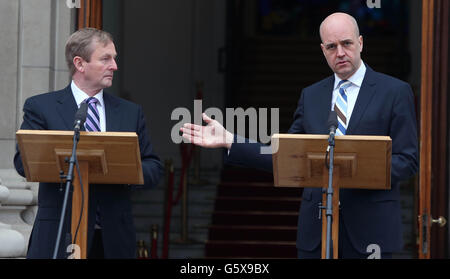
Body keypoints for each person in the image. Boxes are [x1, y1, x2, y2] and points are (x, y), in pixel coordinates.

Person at [181, 12, 418, 259]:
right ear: (322, 50)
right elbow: (285, 157)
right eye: (331, 46)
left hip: (371, 234)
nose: (340, 53)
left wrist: (354, 168)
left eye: (346, 43)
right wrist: (230, 140)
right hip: (316, 232)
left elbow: (408, 161)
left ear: (360, 42)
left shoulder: (395, 92)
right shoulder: (311, 95)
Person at [14, 28, 164, 259]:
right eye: (105, 59)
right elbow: (23, 162)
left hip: (112, 239)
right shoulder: (41, 107)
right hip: (58, 234)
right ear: (80, 64)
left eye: (114, 58)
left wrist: (121, 168)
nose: (114, 66)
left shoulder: (130, 112)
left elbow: (153, 166)